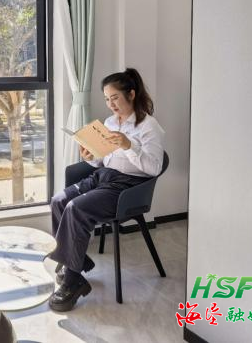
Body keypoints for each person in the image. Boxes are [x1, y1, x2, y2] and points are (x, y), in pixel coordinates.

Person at [48, 68, 165, 312]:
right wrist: (90, 156)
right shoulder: (110, 122)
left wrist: (129, 145)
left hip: (127, 187)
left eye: (115, 98)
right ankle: (76, 262)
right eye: (107, 99)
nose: (111, 104)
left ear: (131, 94)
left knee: (75, 208)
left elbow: (154, 168)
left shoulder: (149, 126)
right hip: (103, 177)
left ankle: (72, 280)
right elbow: (102, 160)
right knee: (59, 200)